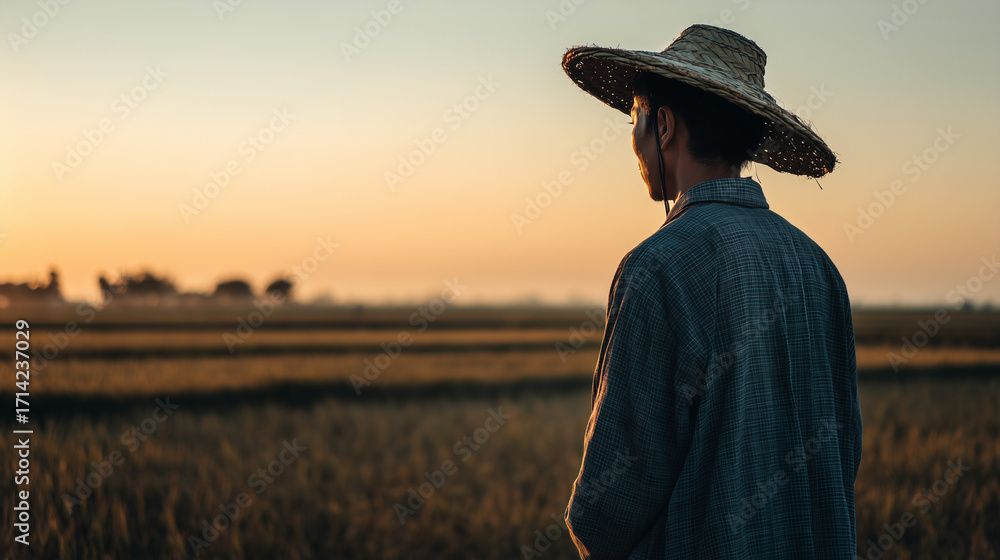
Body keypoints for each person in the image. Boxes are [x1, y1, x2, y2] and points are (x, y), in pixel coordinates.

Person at [560, 24, 863, 559]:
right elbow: (844, 453)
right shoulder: (819, 266)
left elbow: (612, 498)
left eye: (635, 117)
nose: (632, 137)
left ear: (665, 125)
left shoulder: (658, 266)